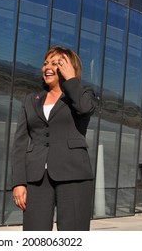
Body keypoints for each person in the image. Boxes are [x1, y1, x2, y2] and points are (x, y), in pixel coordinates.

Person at [11, 45, 96, 231]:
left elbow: (85, 109)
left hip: (74, 175)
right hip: (37, 178)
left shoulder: (83, 94)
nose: (47, 67)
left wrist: (71, 79)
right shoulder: (30, 100)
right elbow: (19, 143)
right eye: (45, 63)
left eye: (56, 63)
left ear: (68, 67)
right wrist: (19, 182)